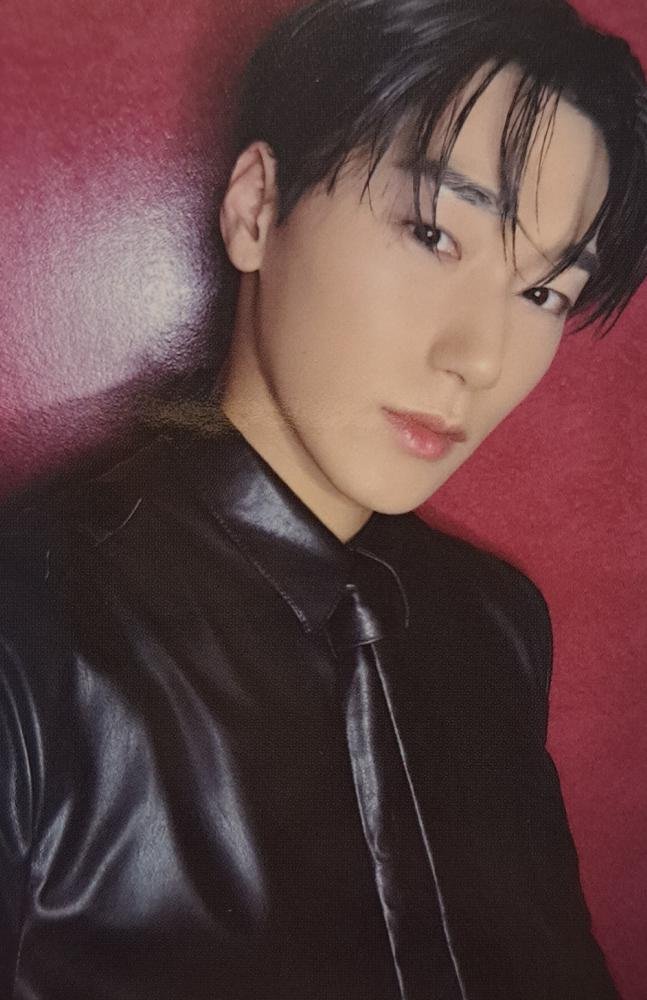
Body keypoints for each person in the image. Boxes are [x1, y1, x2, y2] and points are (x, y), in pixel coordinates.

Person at [1, 0, 646, 997]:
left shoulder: (494, 625)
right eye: (432, 232)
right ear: (257, 208)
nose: (478, 358)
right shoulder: (29, 629)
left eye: (541, 293)